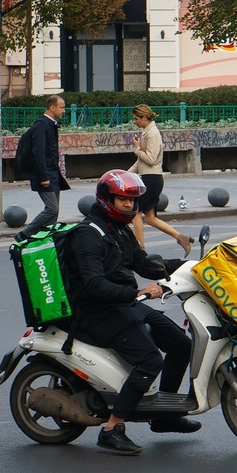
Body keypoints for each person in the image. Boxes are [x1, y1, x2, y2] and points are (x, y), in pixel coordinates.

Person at [65, 170, 199, 455]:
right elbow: (94, 285)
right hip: (95, 312)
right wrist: (138, 292)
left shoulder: (119, 229)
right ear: (106, 198)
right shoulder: (88, 235)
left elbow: (143, 263)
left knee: (182, 345)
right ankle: (112, 428)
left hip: (125, 304)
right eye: (122, 199)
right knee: (150, 361)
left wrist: (192, 266)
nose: (128, 205)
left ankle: (164, 417)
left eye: (131, 200)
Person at [127, 104, 193, 257]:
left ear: (144, 117)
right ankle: (181, 238)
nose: (134, 121)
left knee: (135, 212)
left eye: (136, 119)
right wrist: (123, 175)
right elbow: (140, 162)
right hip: (149, 178)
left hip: (152, 180)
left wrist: (137, 149)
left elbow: (150, 159)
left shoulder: (153, 134)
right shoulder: (146, 132)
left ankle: (140, 249)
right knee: (150, 219)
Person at [15, 94, 71, 242]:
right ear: (52, 108)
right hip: (44, 175)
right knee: (52, 208)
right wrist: (43, 177)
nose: (64, 110)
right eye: (62, 107)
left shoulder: (51, 124)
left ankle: (47, 239)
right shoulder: (41, 125)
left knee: (54, 212)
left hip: (53, 173)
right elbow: (38, 152)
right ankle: (24, 234)